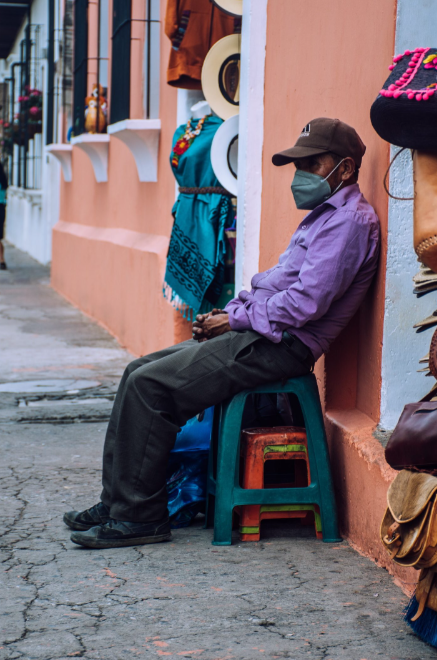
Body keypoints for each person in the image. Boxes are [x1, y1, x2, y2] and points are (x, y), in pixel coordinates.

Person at [64, 117, 380, 549]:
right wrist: (229, 313)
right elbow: (275, 284)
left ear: (344, 169)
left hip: (282, 345)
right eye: (297, 167)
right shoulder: (321, 218)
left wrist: (234, 321)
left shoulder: (350, 223)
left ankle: (140, 517)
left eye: (311, 165)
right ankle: (117, 502)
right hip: (263, 334)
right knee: (137, 370)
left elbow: (306, 304)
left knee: (150, 386)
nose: (300, 176)